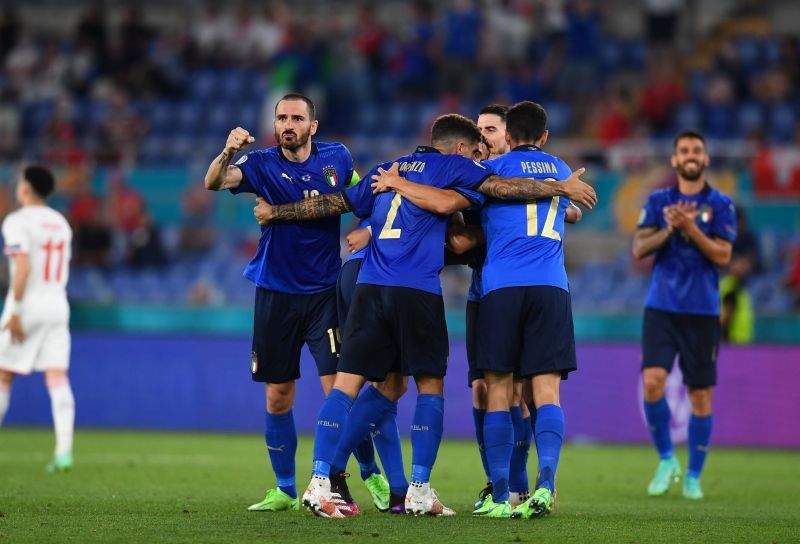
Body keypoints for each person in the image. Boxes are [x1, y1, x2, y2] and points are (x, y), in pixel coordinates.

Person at [254, 113, 596, 518]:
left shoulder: (387, 167)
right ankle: (418, 488)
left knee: (361, 385)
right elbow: (487, 195)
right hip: (416, 288)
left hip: (367, 283)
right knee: (430, 386)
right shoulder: (457, 167)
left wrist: (277, 213)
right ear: (460, 148)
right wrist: (560, 190)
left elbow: (333, 203)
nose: (479, 155)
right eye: (475, 149)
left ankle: (320, 480)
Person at [203, 93, 392, 513]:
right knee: (277, 396)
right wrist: (228, 151)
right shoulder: (260, 163)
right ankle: (286, 488)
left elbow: (368, 195)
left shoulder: (337, 158)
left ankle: (369, 471)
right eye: (282, 117)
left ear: (313, 126)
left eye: (296, 118)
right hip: (274, 294)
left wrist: (369, 230)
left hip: (324, 294)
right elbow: (214, 182)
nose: (288, 124)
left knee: (338, 392)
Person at [632, 130, 736, 500]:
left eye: (697, 150)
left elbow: (724, 256)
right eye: (684, 151)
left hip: (702, 311)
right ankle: (665, 460)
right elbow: (640, 247)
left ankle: (693, 474)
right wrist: (670, 229)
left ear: (705, 159)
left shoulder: (721, 205)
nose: (691, 155)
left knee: (700, 394)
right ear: (675, 160)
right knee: (652, 382)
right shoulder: (660, 200)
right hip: (661, 306)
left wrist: (691, 227)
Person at [0, 165, 74, 472]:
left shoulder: (16, 221)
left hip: (28, 304)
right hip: (57, 303)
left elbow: (24, 267)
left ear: (26, 188)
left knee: (3, 375)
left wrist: (15, 310)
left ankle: (63, 454)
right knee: (57, 377)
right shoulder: (61, 222)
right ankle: (64, 452)